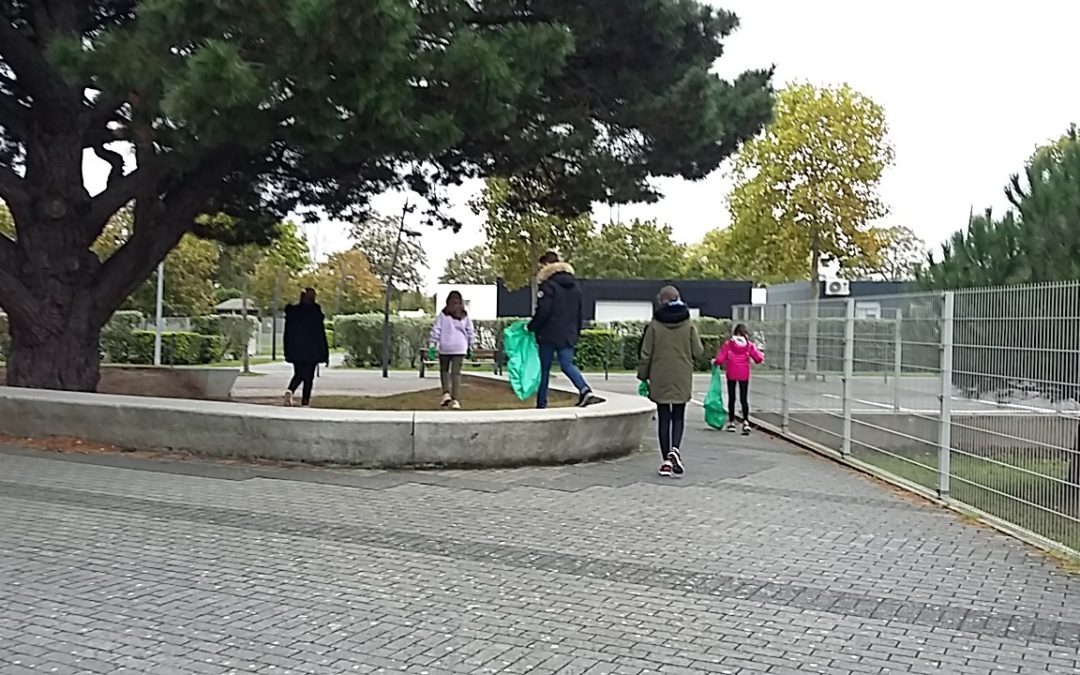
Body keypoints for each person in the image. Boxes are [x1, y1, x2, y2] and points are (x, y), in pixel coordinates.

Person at [637, 286, 703, 477]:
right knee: (679, 415)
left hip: (660, 374)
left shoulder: (654, 325)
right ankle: (675, 449)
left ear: (662, 301)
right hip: (682, 374)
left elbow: (646, 353)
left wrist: (643, 375)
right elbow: (698, 351)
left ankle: (666, 459)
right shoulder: (688, 324)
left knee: (664, 417)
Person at [527, 251, 603, 409]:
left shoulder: (547, 285)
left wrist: (532, 326)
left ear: (546, 265)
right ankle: (584, 389)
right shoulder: (575, 285)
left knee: (544, 369)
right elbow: (579, 312)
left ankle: (542, 404)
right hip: (568, 333)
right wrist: (576, 331)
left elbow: (544, 311)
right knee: (567, 364)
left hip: (548, 334)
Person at [714, 323, 764, 434]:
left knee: (732, 398)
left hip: (731, 372)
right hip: (744, 373)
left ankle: (731, 422)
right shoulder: (748, 345)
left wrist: (716, 362)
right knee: (743, 398)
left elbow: (720, 358)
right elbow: (758, 358)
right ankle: (746, 421)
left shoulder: (729, 344)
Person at [283, 288, 330, 407]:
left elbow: (287, 333)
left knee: (299, 373)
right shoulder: (315, 313)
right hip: (312, 350)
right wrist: (324, 353)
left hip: (296, 350)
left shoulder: (293, 313)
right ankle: (305, 401)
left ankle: (291, 390)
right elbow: (320, 334)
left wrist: (288, 350)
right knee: (308, 376)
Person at [429, 290, 475, 410]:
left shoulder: (443, 315)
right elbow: (470, 331)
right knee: (456, 373)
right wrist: (471, 346)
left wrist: (432, 345)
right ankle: (455, 400)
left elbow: (436, 330)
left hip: (445, 346)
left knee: (444, 370)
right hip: (460, 347)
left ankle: (446, 393)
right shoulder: (464, 316)